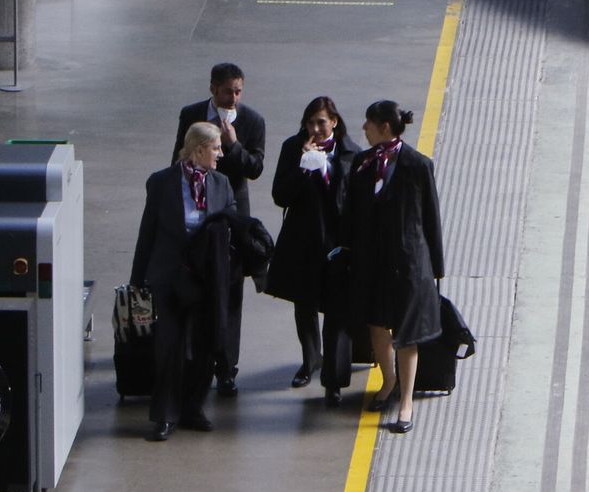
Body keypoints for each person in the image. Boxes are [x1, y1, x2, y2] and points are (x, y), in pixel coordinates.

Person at [338, 100, 444, 433]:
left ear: (384, 126)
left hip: (408, 263)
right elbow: (351, 213)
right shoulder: (362, 163)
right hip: (372, 262)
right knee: (376, 325)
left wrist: (436, 269)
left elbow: (431, 218)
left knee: (407, 332)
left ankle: (406, 400)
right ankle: (388, 381)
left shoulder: (417, 165)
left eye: (368, 123)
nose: (364, 129)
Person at [131, 121, 235, 442]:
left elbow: (231, 227)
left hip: (205, 278)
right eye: (215, 148)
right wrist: (138, 280)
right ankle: (165, 414)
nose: (220, 154)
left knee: (204, 346)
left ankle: (193, 407)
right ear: (199, 149)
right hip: (169, 275)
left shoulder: (222, 184)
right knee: (168, 345)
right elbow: (147, 231)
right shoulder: (161, 182)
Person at [175, 61, 267, 396]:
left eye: (239, 91)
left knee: (230, 296)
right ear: (213, 88)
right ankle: (193, 361)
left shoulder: (252, 121)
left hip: (230, 219)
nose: (234, 98)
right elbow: (178, 158)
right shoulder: (191, 115)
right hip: (197, 216)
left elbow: (254, 169)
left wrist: (233, 145)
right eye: (228, 91)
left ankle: (227, 369)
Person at [266, 96, 359, 406]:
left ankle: (333, 379)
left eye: (322, 122)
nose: (316, 128)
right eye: (311, 123)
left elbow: (351, 203)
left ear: (334, 121)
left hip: (336, 244)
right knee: (303, 304)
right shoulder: (293, 148)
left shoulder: (351, 153)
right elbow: (281, 195)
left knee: (337, 310)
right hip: (303, 240)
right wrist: (304, 167)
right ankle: (310, 361)